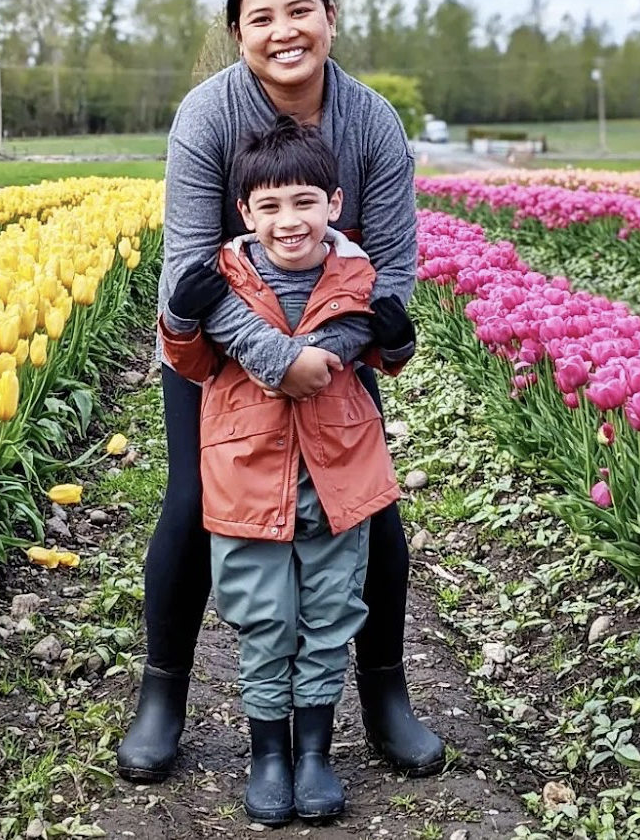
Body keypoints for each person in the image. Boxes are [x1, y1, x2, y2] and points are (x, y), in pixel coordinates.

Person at [117, 0, 444, 783]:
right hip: (218, 354)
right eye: (260, 17)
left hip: (338, 335)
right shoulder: (208, 114)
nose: (284, 30)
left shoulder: (371, 121)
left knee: (365, 505)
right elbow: (189, 269)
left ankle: (385, 697)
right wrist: (273, 358)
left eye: (300, 10)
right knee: (194, 501)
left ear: (330, 17)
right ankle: (164, 697)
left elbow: (394, 268)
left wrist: (326, 356)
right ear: (238, 34)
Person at [158, 117, 416, 824]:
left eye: (304, 202)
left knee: (331, 613)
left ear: (333, 203)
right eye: (269, 207)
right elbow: (195, 363)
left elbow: (380, 352)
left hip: (338, 475)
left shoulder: (357, 273)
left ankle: (315, 754)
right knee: (264, 616)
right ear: (245, 213)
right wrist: (181, 323)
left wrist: (395, 339)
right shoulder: (223, 279)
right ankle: (268, 753)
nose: (288, 220)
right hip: (248, 473)